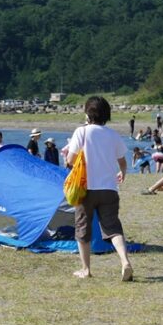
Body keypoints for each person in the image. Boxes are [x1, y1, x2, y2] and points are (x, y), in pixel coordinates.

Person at [65, 96, 132, 281]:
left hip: (86, 188)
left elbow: (70, 160)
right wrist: (122, 173)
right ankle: (125, 261)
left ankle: (86, 269)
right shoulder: (113, 135)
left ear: (88, 114)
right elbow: (123, 162)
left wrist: (68, 158)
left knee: (83, 229)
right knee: (112, 227)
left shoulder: (82, 132)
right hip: (109, 189)